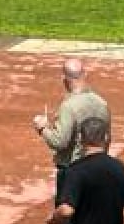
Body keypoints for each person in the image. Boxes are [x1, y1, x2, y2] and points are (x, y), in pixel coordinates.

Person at [32, 58, 110, 187]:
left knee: (68, 207)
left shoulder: (69, 106)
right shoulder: (102, 103)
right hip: (97, 170)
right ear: (85, 74)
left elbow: (59, 142)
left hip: (73, 172)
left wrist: (42, 128)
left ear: (65, 80)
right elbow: (107, 139)